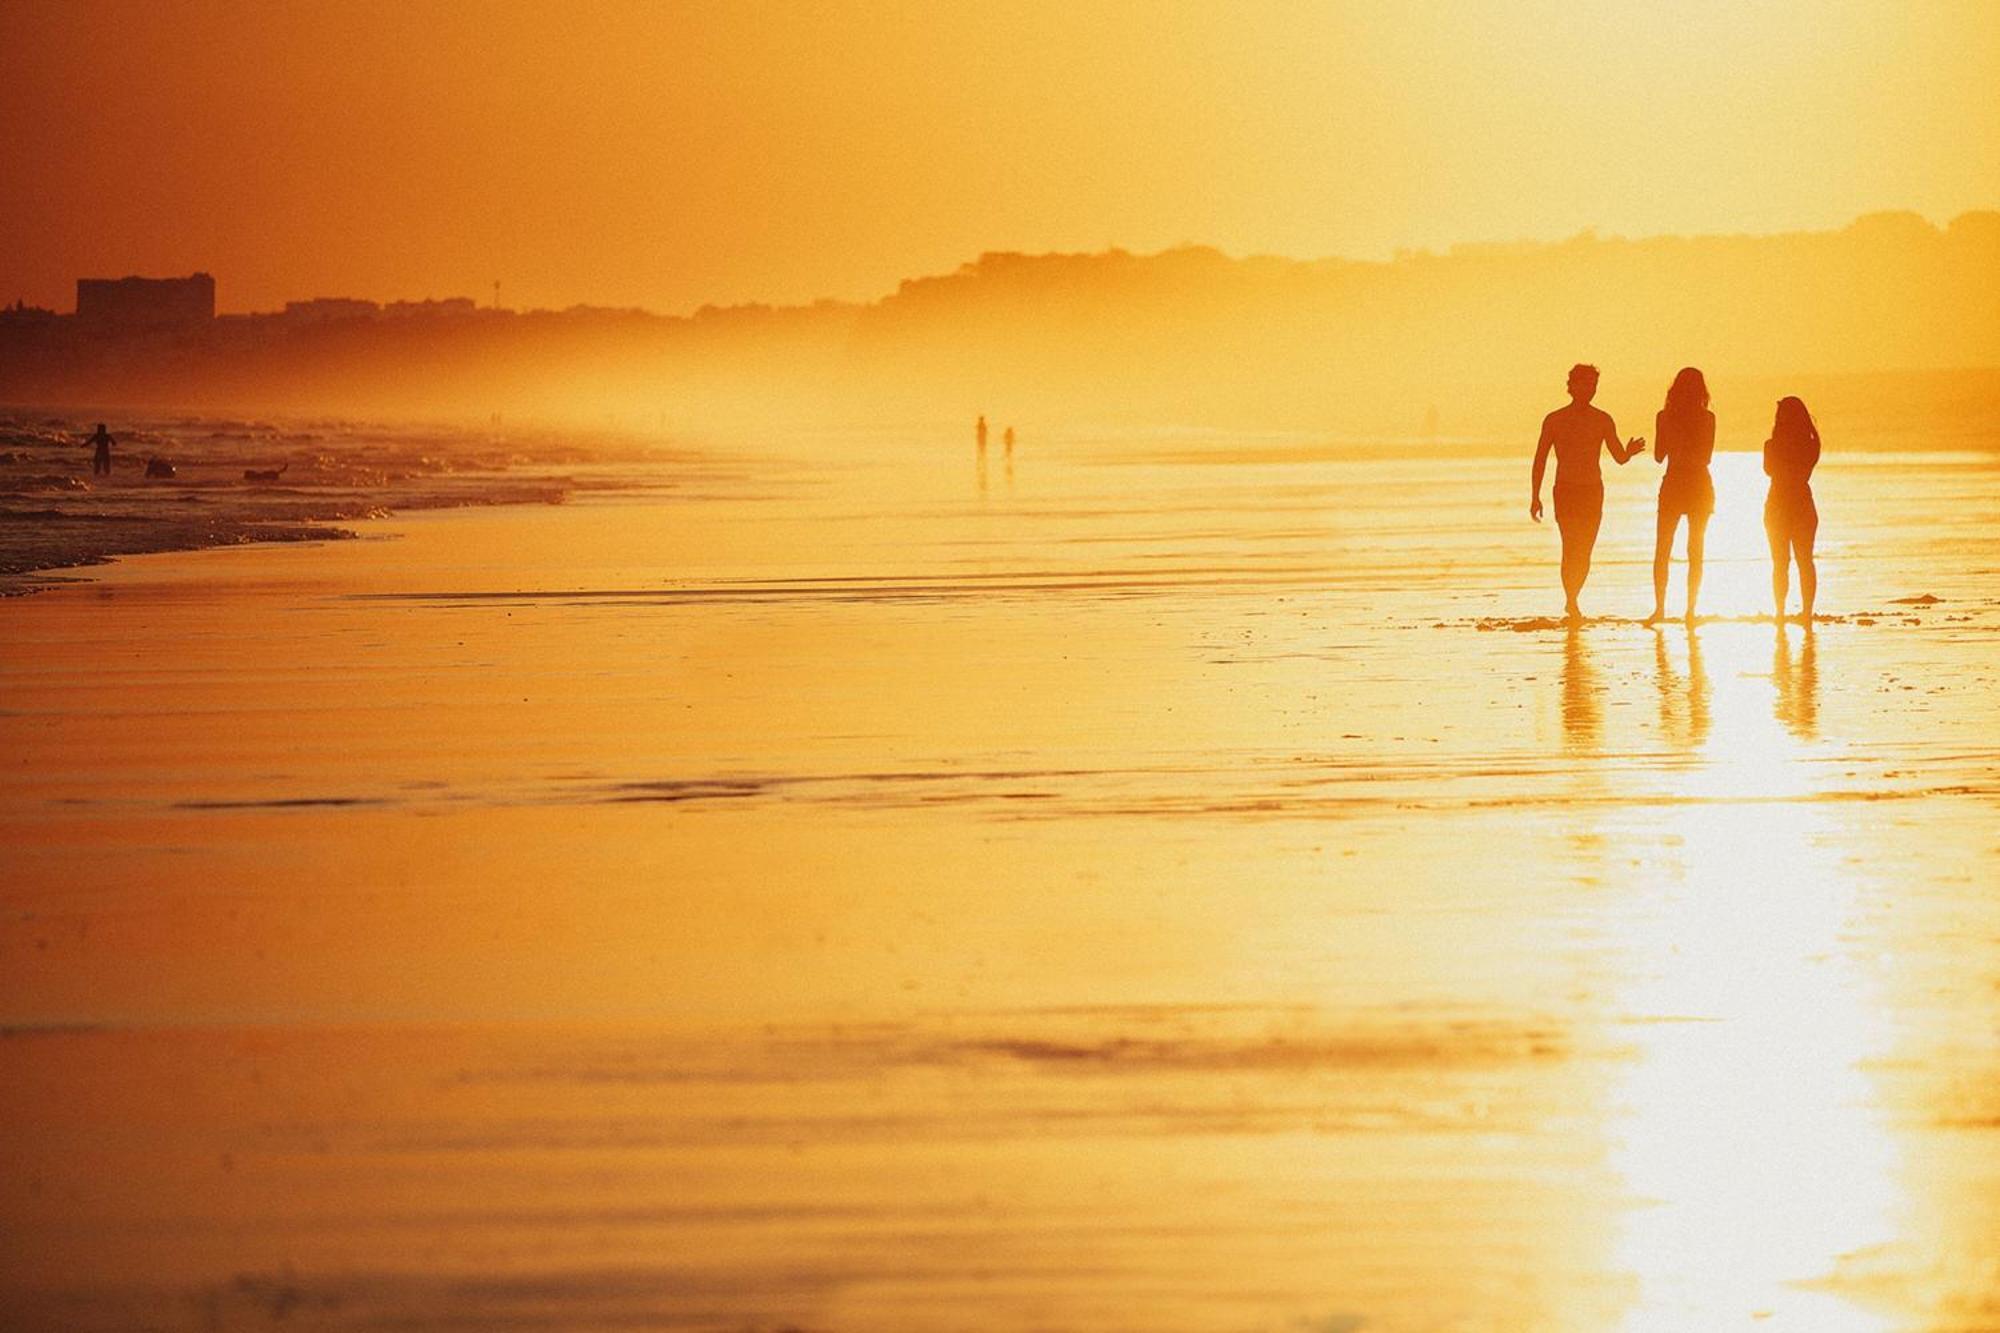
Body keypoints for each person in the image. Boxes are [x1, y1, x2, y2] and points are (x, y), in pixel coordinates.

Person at [1530, 364, 1645, 621]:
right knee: (1570, 547)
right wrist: (1535, 495)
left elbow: (1619, 458)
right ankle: (1571, 600)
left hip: (1592, 490)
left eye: (1593, 385)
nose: (1589, 390)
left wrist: (1629, 451)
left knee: (1585, 550)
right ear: (1572, 386)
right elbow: (1540, 459)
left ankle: (1573, 598)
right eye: (1584, 384)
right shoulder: (1554, 419)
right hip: (1566, 490)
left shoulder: (1602, 419)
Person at [1647, 368, 1716, 623]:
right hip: (1698, 483)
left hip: (1675, 481)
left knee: (1663, 548)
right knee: (1695, 549)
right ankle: (1690, 610)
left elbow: (1658, 456)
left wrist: (1675, 437)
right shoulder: (1707, 418)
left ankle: (1660, 608)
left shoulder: (1664, 417)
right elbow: (1706, 457)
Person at [1764, 395, 1821, 623]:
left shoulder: (1772, 445)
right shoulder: (1811, 444)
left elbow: (1770, 471)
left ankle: (1781, 612)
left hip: (1779, 502)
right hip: (1800, 501)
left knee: (1782, 562)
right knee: (1803, 560)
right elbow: (1799, 472)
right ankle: (1804, 612)